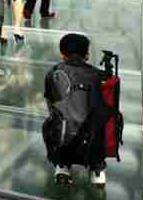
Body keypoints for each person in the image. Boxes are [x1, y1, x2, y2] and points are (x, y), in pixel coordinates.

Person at [43, 33, 108, 186]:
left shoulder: (53, 73)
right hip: (93, 139)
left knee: (49, 124)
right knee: (100, 125)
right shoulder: (98, 75)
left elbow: (50, 103)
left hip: (64, 135)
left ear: (62, 53)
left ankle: (62, 167)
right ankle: (97, 171)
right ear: (87, 54)